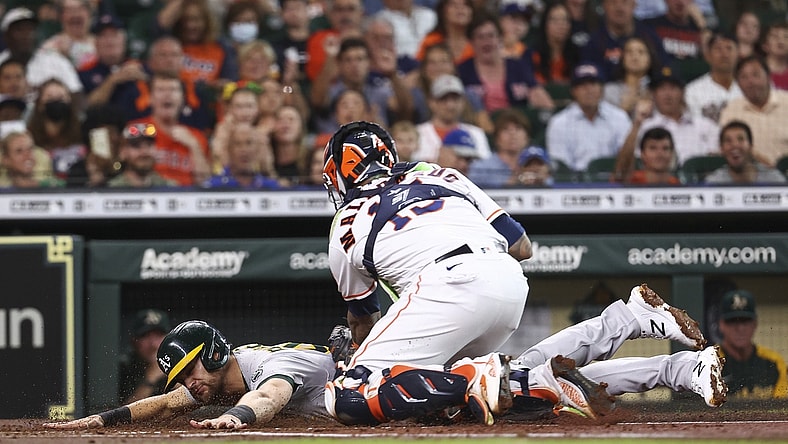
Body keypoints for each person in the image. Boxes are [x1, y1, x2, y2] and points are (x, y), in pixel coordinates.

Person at [321, 122, 727, 425]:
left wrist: (356, 359)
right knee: (514, 384)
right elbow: (522, 247)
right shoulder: (437, 172)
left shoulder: (346, 218)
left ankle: (473, 377)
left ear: (341, 173)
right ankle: (656, 346)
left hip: (445, 287)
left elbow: (362, 319)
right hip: (506, 276)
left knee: (346, 396)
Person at [44, 320, 337, 430]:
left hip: (368, 390)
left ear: (214, 353)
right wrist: (102, 419)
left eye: (189, 370)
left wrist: (235, 416)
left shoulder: (270, 367)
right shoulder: (214, 378)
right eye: (181, 377)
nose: (189, 383)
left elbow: (268, 397)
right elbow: (165, 403)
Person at [457, 14, 553, 114]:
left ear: (500, 38)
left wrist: (537, 97)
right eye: (480, 37)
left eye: (491, 36)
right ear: (471, 42)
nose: (486, 42)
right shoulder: (462, 70)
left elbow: (543, 100)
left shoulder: (518, 66)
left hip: (517, 124)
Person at [127, 73, 211, 186]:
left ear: (183, 99)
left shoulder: (196, 136)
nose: (167, 95)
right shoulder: (137, 128)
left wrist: (193, 146)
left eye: (174, 90)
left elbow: (205, 182)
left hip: (186, 198)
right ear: (150, 98)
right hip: (149, 193)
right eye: (161, 90)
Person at [545, 63, 631, 173]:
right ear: (573, 91)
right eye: (582, 85)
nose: (588, 90)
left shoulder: (619, 117)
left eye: (593, 84)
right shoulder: (559, 122)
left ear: (601, 89)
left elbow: (627, 159)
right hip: (575, 185)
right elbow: (561, 166)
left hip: (613, 183)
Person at [637, 66, 720, 165]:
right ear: (653, 94)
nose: (667, 95)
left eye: (672, 88)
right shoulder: (645, 127)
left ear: (682, 92)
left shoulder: (705, 126)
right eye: (662, 89)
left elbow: (717, 159)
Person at [717, 289, 788, 399]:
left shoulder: (773, 362)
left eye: (745, 321)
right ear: (721, 325)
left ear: (755, 324)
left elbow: (781, 409)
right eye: (733, 321)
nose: (740, 328)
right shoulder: (710, 363)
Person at [719, 55, 788, 167]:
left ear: (769, 77)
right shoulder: (731, 111)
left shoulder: (786, 103)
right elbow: (729, 150)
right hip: (749, 179)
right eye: (744, 77)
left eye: (756, 75)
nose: (750, 81)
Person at [0, 8, 84, 98]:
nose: (26, 35)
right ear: (6, 36)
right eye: (19, 30)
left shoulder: (56, 61)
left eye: (31, 29)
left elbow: (77, 94)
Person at [413, 73, 491, 163]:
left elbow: (484, 170)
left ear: (463, 102)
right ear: (431, 102)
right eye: (444, 99)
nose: (450, 105)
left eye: (455, 99)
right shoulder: (417, 133)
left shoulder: (476, 134)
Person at [26, 78, 87, 183]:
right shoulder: (29, 138)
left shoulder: (83, 133)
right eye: (50, 97)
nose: (56, 101)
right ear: (40, 104)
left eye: (61, 97)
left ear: (69, 102)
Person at [704, 120, 787, 185]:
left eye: (741, 139)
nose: (735, 145)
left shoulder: (774, 180)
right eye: (728, 141)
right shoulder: (713, 183)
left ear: (751, 146)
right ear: (721, 149)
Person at [684, 31, 742, 123]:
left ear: (738, 54)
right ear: (708, 56)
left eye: (729, 48)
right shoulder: (692, 91)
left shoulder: (749, 88)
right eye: (718, 49)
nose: (724, 54)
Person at [468, 107, 532, 188]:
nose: (512, 134)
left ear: (527, 137)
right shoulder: (480, 168)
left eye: (518, 128)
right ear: (497, 138)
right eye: (506, 129)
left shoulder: (536, 164)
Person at [204, 122, 281, 189]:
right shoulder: (212, 186)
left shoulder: (271, 187)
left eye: (249, 143)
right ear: (229, 150)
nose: (244, 150)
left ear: (258, 150)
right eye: (238, 144)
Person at [118, 309, 172, 404]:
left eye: (158, 335)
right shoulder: (123, 368)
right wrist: (150, 378)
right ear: (134, 341)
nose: (153, 344)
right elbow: (120, 414)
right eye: (145, 336)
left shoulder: (178, 362)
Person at [107, 123, 177, 188]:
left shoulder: (168, 187)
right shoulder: (111, 189)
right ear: (123, 152)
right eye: (136, 146)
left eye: (149, 145)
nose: (144, 151)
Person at [603, 36, 655, 116]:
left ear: (650, 59)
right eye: (629, 52)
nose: (634, 57)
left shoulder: (656, 92)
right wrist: (624, 108)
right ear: (622, 58)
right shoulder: (609, 91)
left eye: (641, 52)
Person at [40, 0, 97, 71]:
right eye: (69, 10)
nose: (75, 14)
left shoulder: (102, 43)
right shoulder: (51, 47)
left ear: (90, 14)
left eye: (80, 8)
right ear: (61, 17)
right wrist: (63, 57)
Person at [614, 125, 681, 185]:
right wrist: (637, 124)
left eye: (665, 148)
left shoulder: (676, 185)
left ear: (672, 153)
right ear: (642, 153)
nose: (660, 153)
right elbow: (622, 167)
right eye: (653, 148)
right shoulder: (632, 180)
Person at [415, 0, 475, 65]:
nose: (460, 8)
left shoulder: (479, 41)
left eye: (466, 4)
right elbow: (419, 69)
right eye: (453, 4)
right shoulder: (431, 41)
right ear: (443, 11)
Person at [761, 21, 788, 91]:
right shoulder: (755, 71)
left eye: (786, 37)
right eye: (775, 36)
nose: (781, 41)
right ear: (765, 45)